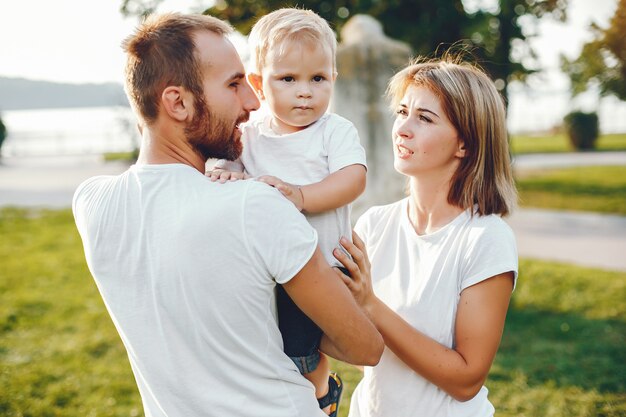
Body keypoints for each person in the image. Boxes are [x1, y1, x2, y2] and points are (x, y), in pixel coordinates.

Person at [72, 13, 382, 417]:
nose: (253, 102)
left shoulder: (92, 202)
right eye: (235, 85)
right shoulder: (257, 205)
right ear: (177, 102)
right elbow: (366, 348)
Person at [332, 57, 519, 417]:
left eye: (424, 118)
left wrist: (370, 305)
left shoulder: (486, 239)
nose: (402, 128)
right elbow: (358, 348)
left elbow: (466, 381)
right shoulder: (373, 224)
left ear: (464, 144)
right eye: (403, 111)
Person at [207, 8, 367, 416]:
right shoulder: (250, 134)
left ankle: (319, 395)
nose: (305, 92)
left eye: (318, 78)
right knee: (266, 340)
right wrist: (224, 171)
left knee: (299, 346)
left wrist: (301, 195)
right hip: (266, 267)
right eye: (288, 79)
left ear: (334, 76)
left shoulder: (334, 130)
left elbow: (352, 180)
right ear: (259, 84)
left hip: (322, 265)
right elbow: (232, 170)